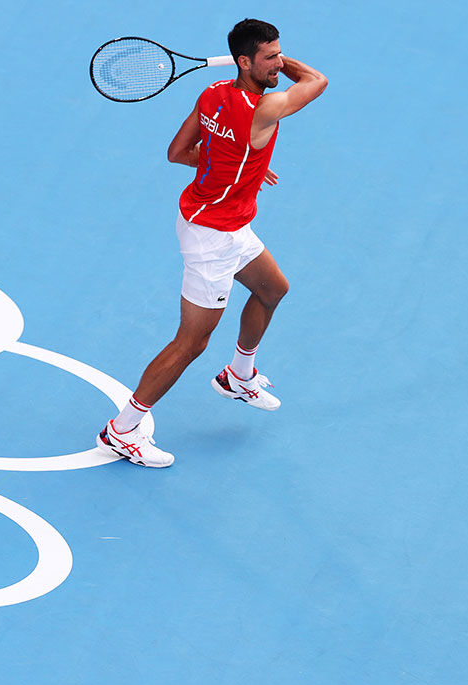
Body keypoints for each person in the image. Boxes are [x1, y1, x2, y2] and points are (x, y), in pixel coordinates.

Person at [97, 19, 328, 468]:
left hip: (222, 220)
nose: (279, 63)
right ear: (245, 61)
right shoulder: (265, 109)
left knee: (272, 289)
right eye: (270, 57)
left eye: (280, 53)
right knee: (191, 343)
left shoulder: (213, 93)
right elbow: (316, 80)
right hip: (212, 239)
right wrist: (243, 163)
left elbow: (179, 152)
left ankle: (238, 376)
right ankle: (122, 430)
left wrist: (240, 168)